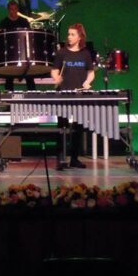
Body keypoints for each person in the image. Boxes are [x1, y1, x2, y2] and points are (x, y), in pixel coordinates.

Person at [50, 23, 95, 170]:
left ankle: (74, 159)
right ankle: (61, 159)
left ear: (80, 37)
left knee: (78, 128)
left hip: (79, 95)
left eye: (72, 34)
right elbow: (54, 70)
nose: (69, 37)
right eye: (68, 34)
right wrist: (56, 78)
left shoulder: (85, 54)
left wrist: (87, 82)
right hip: (63, 94)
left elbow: (91, 72)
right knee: (61, 127)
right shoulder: (61, 53)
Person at [0, 0, 36, 92]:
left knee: (29, 75)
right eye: (11, 9)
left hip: (23, 53)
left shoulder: (24, 22)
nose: (13, 11)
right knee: (9, 77)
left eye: (15, 9)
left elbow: (29, 37)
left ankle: (33, 96)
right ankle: (9, 97)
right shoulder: (4, 23)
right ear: (8, 10)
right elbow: (0, 39)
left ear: (17, 9)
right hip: (10, 55)